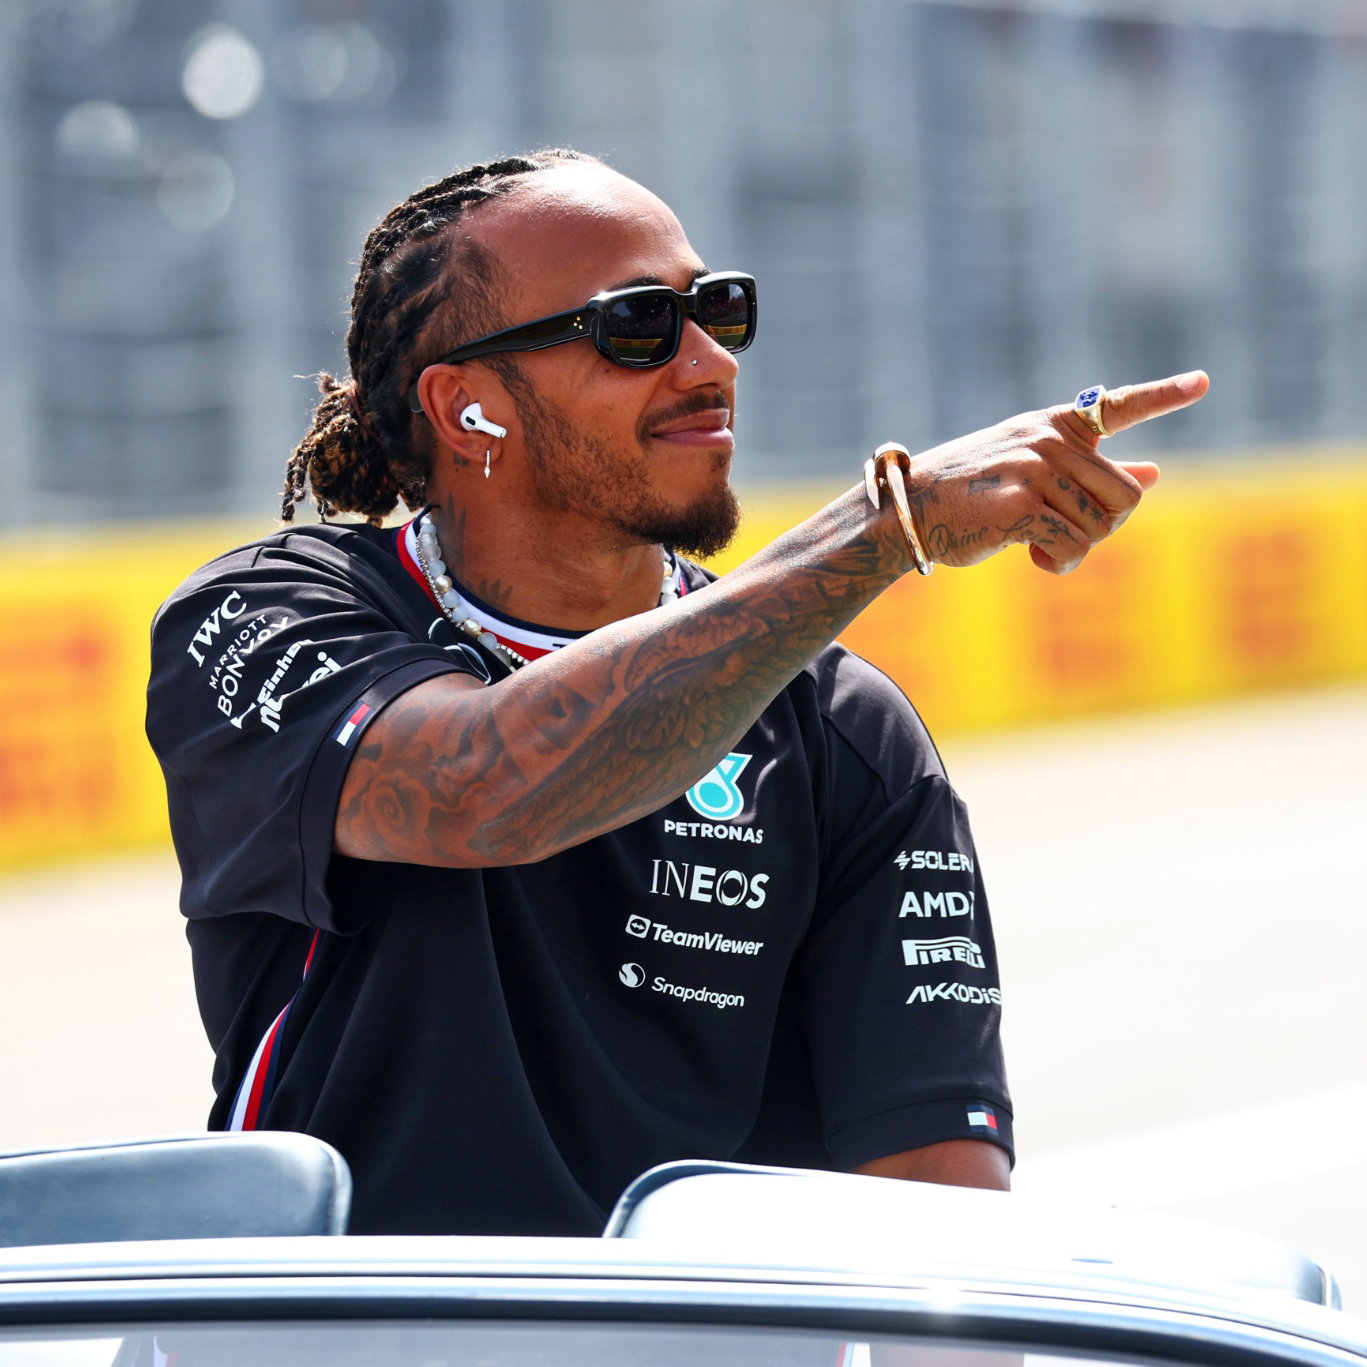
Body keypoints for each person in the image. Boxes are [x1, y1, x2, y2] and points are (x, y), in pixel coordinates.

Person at [146, 148, 1207, 1236]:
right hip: (324, 1332)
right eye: (636, 325)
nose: (707, 359)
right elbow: (480, 783)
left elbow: (938, 1209)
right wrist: (884, 528)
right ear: (467, 410)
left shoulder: (843, 731)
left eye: (718, 310)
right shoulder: (264, 617)